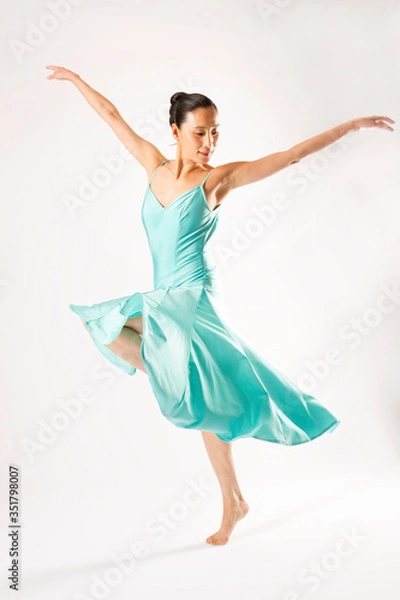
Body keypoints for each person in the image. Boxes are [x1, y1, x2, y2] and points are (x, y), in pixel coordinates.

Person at [45, 65, 395, 545]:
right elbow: (111, 115)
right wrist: (75, 79)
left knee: (107, 322)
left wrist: (351, 126)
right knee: (201, 396)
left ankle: (192, 403)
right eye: (199, 134)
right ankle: (234, 501)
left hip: (194, 300)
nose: (209, 143)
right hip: (166, 298)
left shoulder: (217, 181)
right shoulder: (153, 166)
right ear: (175, 131)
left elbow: (290, 156)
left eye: (214, 134)